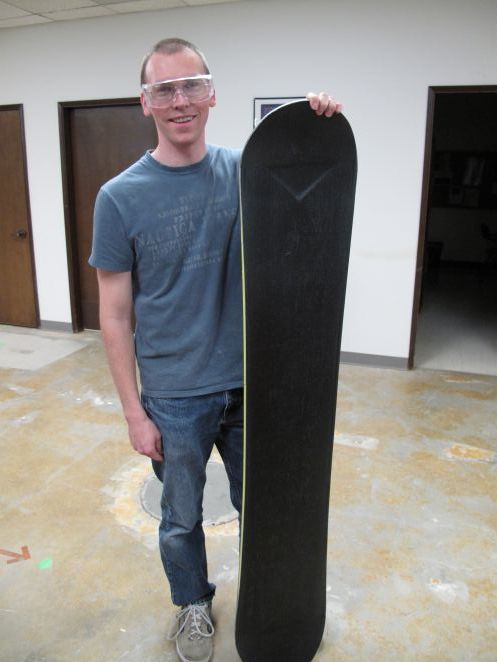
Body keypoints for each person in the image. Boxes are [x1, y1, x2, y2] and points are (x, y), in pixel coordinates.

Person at [89, 37, 341, 662]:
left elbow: (305, 196)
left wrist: (315, 124)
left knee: (268, 510)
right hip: (175, 394)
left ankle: (269, 604)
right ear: (145, 102)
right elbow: (114, 316)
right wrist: (134, 412)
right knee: (180, 518)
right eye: (165, 90)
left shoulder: (248, 174)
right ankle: (193, 604)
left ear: (212, 94)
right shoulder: (118, 197)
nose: (180, 101)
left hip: (255, 384)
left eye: (192, 86)